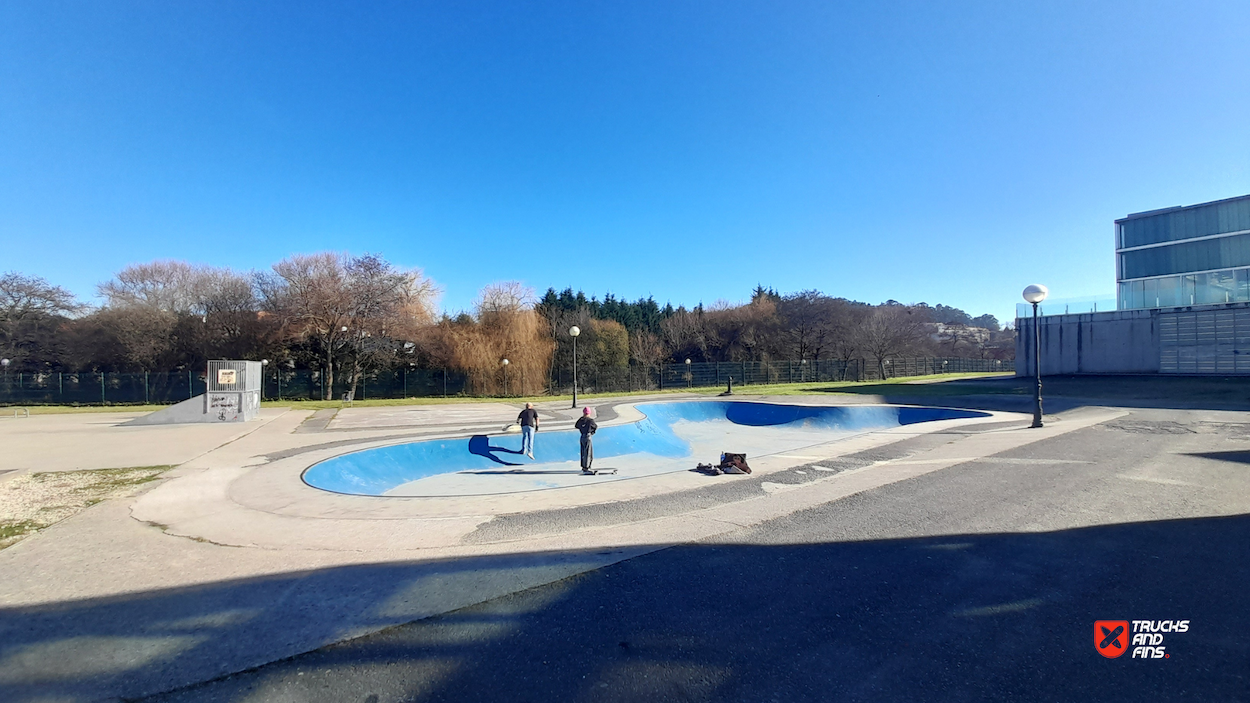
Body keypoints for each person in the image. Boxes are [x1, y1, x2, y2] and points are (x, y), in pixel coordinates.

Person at [574, 406, 597, 473]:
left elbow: (576, 425)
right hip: (588, 436)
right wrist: (592, 432)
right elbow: (595, 427)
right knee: (588, 452)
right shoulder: (590, 421)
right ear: (589, 413)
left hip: (582, 436)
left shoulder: (581, 420)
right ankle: (587, 466)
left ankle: (583, 466)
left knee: (583, 451)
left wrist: (582, 426)